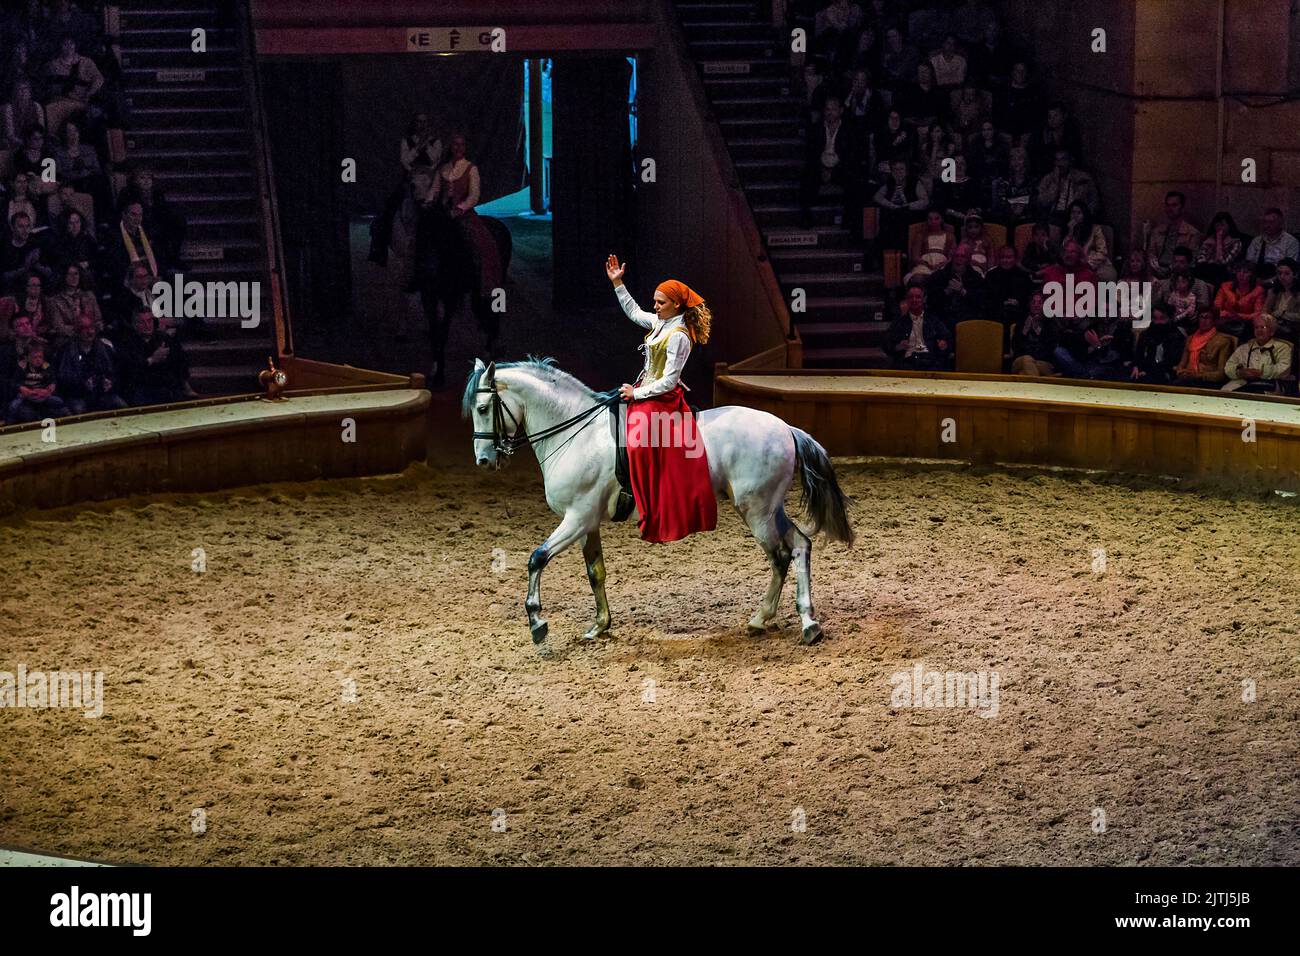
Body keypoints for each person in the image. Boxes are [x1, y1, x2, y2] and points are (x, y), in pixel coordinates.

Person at [604, 253, 718, 544]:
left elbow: (668, 380)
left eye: (660, 303)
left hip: (663, 398)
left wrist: (637, 392)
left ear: (676, 304)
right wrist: (618, 284)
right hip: (646, 387)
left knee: (640, 443)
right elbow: (634, 312)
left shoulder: (679, 334)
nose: (654, 307)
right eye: (655, 302)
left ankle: (645, 504)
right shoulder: (660, 322)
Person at [800, 94, 861, 231]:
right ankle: (806, 218)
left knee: (854, 178)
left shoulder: (849, 130)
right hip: (819, 166)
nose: (830, 112)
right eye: (827, 109)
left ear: (841, 110)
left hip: (840, 167)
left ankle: (849, 220)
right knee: (806, 175)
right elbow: (810, 153)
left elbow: (851, 156)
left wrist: (833, 171)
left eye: (833, 109)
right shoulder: (815, 128)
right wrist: (823, 169)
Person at [118, 308, 195, 404]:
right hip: (141, 387)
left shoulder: (163, 338)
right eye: (142, 322)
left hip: (164, 384)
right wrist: (152, 359)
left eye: (149, 321)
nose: (147, 325)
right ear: (135, 324)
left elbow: (179, 361)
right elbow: (131, 370)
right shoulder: (127, 342)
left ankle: (185, 385)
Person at [55, 313, 124, 413]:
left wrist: (110, 382)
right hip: (78, 396)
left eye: (91, 327)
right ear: (77, 331)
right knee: (79, 409)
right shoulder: (66, 350)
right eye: (84, 328)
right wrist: (83, 384)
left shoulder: (105, 348)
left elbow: (117, 371)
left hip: (103, 394)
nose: (90, 332)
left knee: (121, 406)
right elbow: (63, 379)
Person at [1222, 314, 1293, 393]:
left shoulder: (1283, 347)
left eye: (1263, 327)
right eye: (1256, 327)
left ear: (1272, 331)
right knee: (1224, 392)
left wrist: (1261, 373)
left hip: (1269, 384)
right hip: (1242, 382)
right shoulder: (1244, 348)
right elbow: (1228, 367)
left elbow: (1284, 369)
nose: (1259, 330)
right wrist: (1240, 372)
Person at [4, 335, 67, 423]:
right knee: (13, 406)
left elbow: (52, 381)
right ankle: (8, 425)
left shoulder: (46, 366)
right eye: (34, 357)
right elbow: (15, 383)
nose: (38, 360)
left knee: (59, 402)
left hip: (42, 394)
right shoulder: (22, 366)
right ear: (28, 358)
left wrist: (47, 391)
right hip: (26, 395)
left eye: (40, 357)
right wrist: (24, 390)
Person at [887, 283, 951, 370]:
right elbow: (886, 345)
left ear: (924, 299)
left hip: (930, 363)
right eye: (911, 297)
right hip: (907, 363)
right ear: (906, 300)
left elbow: (947, 339)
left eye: (918, 297)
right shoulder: (898, 323)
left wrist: (944, 344)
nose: (914, 300)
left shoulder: (933, 320)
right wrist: (898, 346)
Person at [1171, 308, 1234, 388]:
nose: (1204, 321)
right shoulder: (1190, 339)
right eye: (1201, 317)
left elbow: (1222, 373)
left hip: (1207, 380)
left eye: (1208, 317)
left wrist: (1198, 375)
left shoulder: (1223, 341)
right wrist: (1181, 371)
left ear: (1214, 320)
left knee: (1180, 384)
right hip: (1188, 376)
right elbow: (1182, 363)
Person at [926, 241, 986, 326]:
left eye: (962, 256)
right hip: (943, 318)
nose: (959, 259)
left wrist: (963, 292)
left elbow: (981, 301)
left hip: (967, 319)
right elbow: (930, 301)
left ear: (968, 260)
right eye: (956, 256)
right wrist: (946, 291)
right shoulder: (938, 276)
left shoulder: (976, 277)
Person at [1145, 191, 1201, 279]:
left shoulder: (1192, 233)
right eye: (1168, 205)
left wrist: (1170, 268)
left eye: (1174, 205)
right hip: (1156, 272)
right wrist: (1156, 266)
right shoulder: (1157, 231)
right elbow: (1151, 253)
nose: (1170, 208)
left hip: (1178, 275)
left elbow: (1191, 260)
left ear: (1182, 208)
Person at [1036, 150, 1098, 224]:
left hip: (1076, 214)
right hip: (1055, 214)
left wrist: (1086, 214)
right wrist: (1055, 184)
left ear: (1070, 161)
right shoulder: (1048, 179)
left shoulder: (1082, 178)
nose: (1060, 164)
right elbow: (1042, 202)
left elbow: (1094, 199)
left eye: (1063, 159)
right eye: (1057, 160)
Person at [46, 262, 101, 344]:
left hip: (92, 336)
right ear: (64, 276)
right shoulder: (55, 300)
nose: (74, 277)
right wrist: (81, 331)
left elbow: (98, 319)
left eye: (76, 274)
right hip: (69, 340)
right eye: (70, 274)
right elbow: (59, 327)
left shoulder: (89, 296)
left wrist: (92, 329)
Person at [1130, 303, 1184, 385]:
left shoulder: (1177, 336)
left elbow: (1172, 361)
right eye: (1155, 318)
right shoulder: (1146, 334)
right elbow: (1138, 354)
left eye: (1162, 318)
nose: (1158, 322)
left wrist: (1148, 371)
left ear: (1170, 318)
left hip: (1166, 373)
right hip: (1144, 370)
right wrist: (1136, 366)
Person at [984, 243, 1033, 328]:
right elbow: (986, 299)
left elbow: (1029, 299)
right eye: (1002, 257)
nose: (1005, 260)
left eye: (1009, 257)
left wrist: (1018, 303)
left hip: (1018, 316)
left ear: (1015, 259)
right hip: (995, 316)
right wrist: (1002, 303)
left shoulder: (1024, 276)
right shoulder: (991, 276)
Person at [1213, 261, 1265, 341]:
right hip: (1225, 320)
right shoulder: (1225, 286)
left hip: (1245, 324)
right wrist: (1224, 313)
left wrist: (1239, 316)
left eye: (1245, 272)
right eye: (1239, 271)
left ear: (1252, 275)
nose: (1241, 274)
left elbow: (1258, 313)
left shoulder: (1258, 290)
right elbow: (1216, 306)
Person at [1009, 291, 1057, 376]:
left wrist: (1038, 331)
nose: (1036, 305)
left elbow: (1050, 349)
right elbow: (1015, 347)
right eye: (1033, 302)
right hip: (1021, 360)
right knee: (1027, 360)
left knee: (1023, 372)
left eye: (1039, 302)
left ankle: (1031, 385)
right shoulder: (1022, 322)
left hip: (1043, 363)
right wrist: (1024, 331)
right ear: (1030, 305)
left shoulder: (1050, 324)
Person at [1244, 207, 1299, 280]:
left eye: (1271, 222)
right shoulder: (1257, 241)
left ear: (1280, 223)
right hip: (1256, 279)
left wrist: (1270, 281)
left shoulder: (1291, 242)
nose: (1267, 226)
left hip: (1279, 280)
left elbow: (1291, 268)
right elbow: (1248, 263)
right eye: (1265, 222)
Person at [1065, 200, 1113, 280]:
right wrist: (1070, 232)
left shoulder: (1095, 229)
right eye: (1073, 212)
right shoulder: (1069, 230)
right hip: (1074, 264)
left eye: (1079, 213)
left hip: (1094, 263)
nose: (1075, 216)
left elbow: (1102, 252)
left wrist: (1087, 261)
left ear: (1084, 215)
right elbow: (1065, 250)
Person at [903, 208, 954, 284]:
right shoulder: (921, 235)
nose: (933, 221)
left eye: (936, 219)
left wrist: (941, 265)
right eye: (930, 219)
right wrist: (927, 264)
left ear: (942, 220)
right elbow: (915, 257)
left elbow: (952, 257)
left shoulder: (950, 236)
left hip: (943, 264)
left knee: (944, 278)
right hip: (924, 265)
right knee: (918, 279)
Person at [1195, 211, 1244, 287]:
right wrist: (1210, 249)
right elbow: (1200, 260)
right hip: (1206, 271)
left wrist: (1219, 241)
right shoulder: (1209, 240)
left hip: (1224, 275)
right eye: (1217, 225)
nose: (1219, 228)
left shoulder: (1236, 243)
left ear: (1229, 226)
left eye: (1222, 225)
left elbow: (1222, 263)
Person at [1263, 257, 1300, 338]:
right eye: (1279, 273)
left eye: (1287, 273)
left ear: (1295, 274)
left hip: (1293, 329)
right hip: (1275, 326)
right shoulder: (1273, 291)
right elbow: (1265, 311)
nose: (1282, 277)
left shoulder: (1298, 293)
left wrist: (1282, 314)